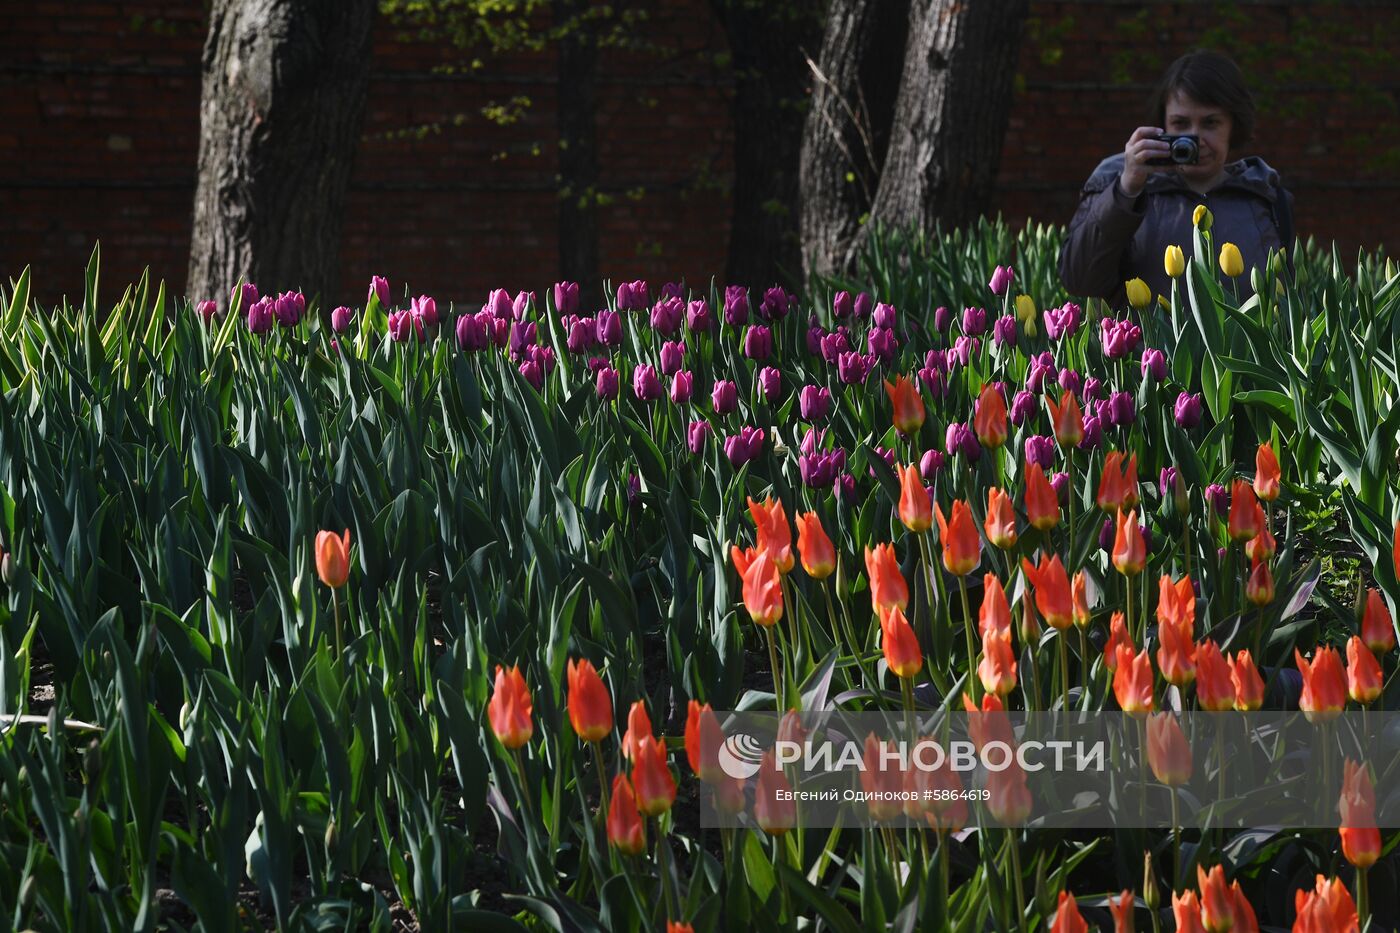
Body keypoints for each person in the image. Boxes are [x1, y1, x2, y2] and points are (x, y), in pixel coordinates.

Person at [1058, 49, 1294, 308]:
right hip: (1151, 349)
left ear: (1233, 124)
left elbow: (1285, 302)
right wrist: (1126, 190)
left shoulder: (1264, 195)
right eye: (1181, 124)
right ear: (1163, 126)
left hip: (1240, 350)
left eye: (1211, 123)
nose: (1196, 139)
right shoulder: (1125, 187)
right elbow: (1079, 280)